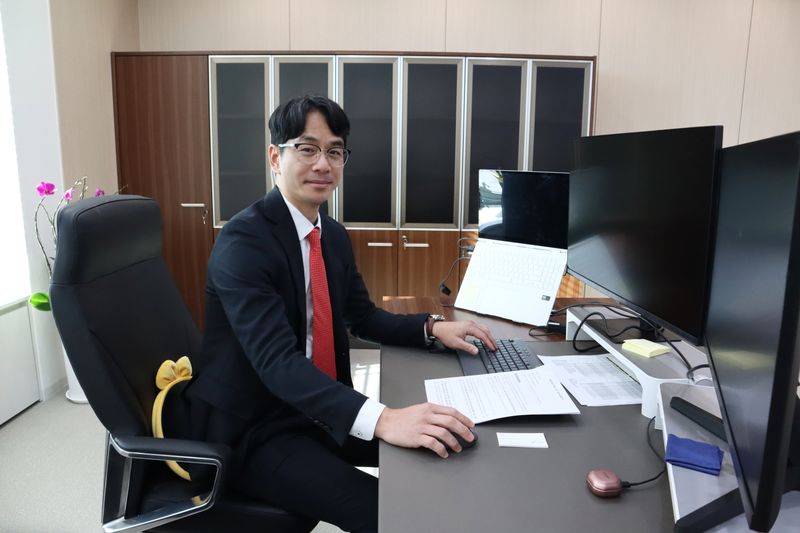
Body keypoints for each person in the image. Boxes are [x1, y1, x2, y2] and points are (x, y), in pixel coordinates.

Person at [166, 95, 496, 532]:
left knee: (455, 444)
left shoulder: (332, 236)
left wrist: (433, 328)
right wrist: (385, 419)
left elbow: (364, 318)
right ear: (275, 157)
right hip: (253, 428)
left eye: (334, 151)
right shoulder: (244, 243)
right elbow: (277, 364)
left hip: (314, 410)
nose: (323, 164)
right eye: (307, 149)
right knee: (392, 512)